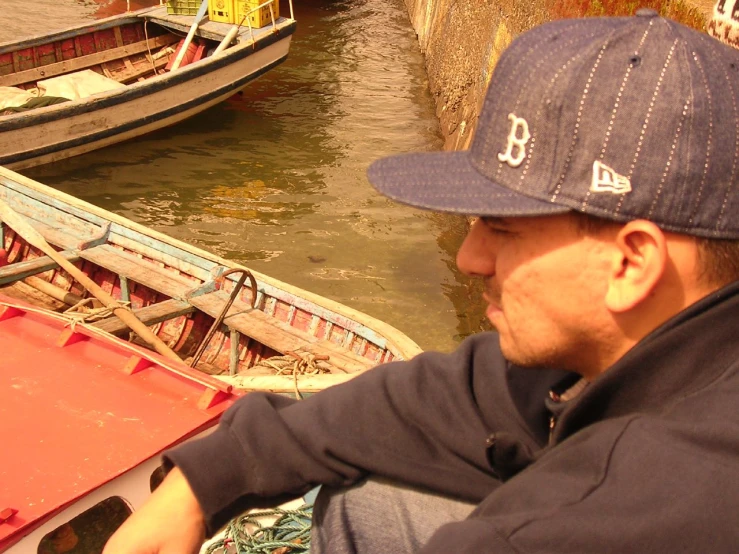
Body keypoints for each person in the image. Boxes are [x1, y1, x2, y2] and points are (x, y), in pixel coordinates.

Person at [105, 9, 739, 553]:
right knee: (368, 503)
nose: (470, 258)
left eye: (504, 229)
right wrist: (210, 476)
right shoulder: (668, 341)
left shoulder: (613, 513)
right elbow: (457, 391)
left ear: (632, 263)